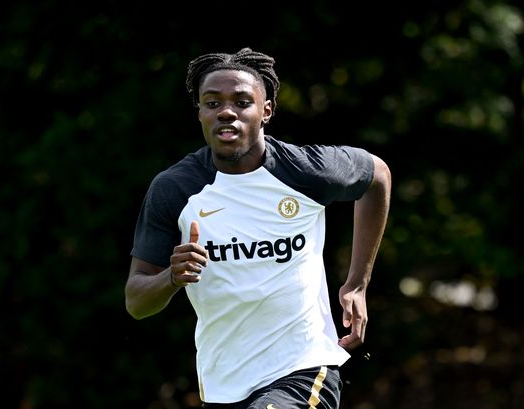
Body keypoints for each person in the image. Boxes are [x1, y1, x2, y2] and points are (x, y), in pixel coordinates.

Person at [125, 47, 391, 409]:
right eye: (212, 103)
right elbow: (136, 301)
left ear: (266, 111)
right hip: (222, 385)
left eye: (242, 101)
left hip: (303, 367)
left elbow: (377, 176)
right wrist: (171, 278)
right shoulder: (175, 190)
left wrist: (357, 283)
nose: (226, 113)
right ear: (200, 113)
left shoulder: (305, 171)